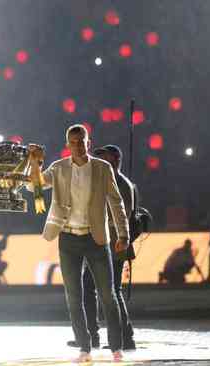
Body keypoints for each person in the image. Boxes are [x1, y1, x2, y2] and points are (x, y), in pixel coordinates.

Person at [28, 124, 130, 362]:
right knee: (74, 296)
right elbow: (37, 184)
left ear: (88, 142)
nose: (77, 145)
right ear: (67, 144)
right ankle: (84, 347)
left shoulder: (103, 168)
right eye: (72, 142)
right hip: (68, 237)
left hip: (96, 238)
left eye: (81, 140)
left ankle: (116, 346)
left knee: (108, 295)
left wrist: (122, 235)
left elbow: (116, 203)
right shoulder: (59, 168)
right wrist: (34, 162)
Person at [65, 145, 136, 350]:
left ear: (115, 160)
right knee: (102, 290)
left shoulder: (121, 184)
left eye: (104, 158)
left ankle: (114, 336)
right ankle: (104, 335)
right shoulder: (108, 180)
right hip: (102, 244)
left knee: (108, 291)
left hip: (114, 246)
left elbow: (123, 215)